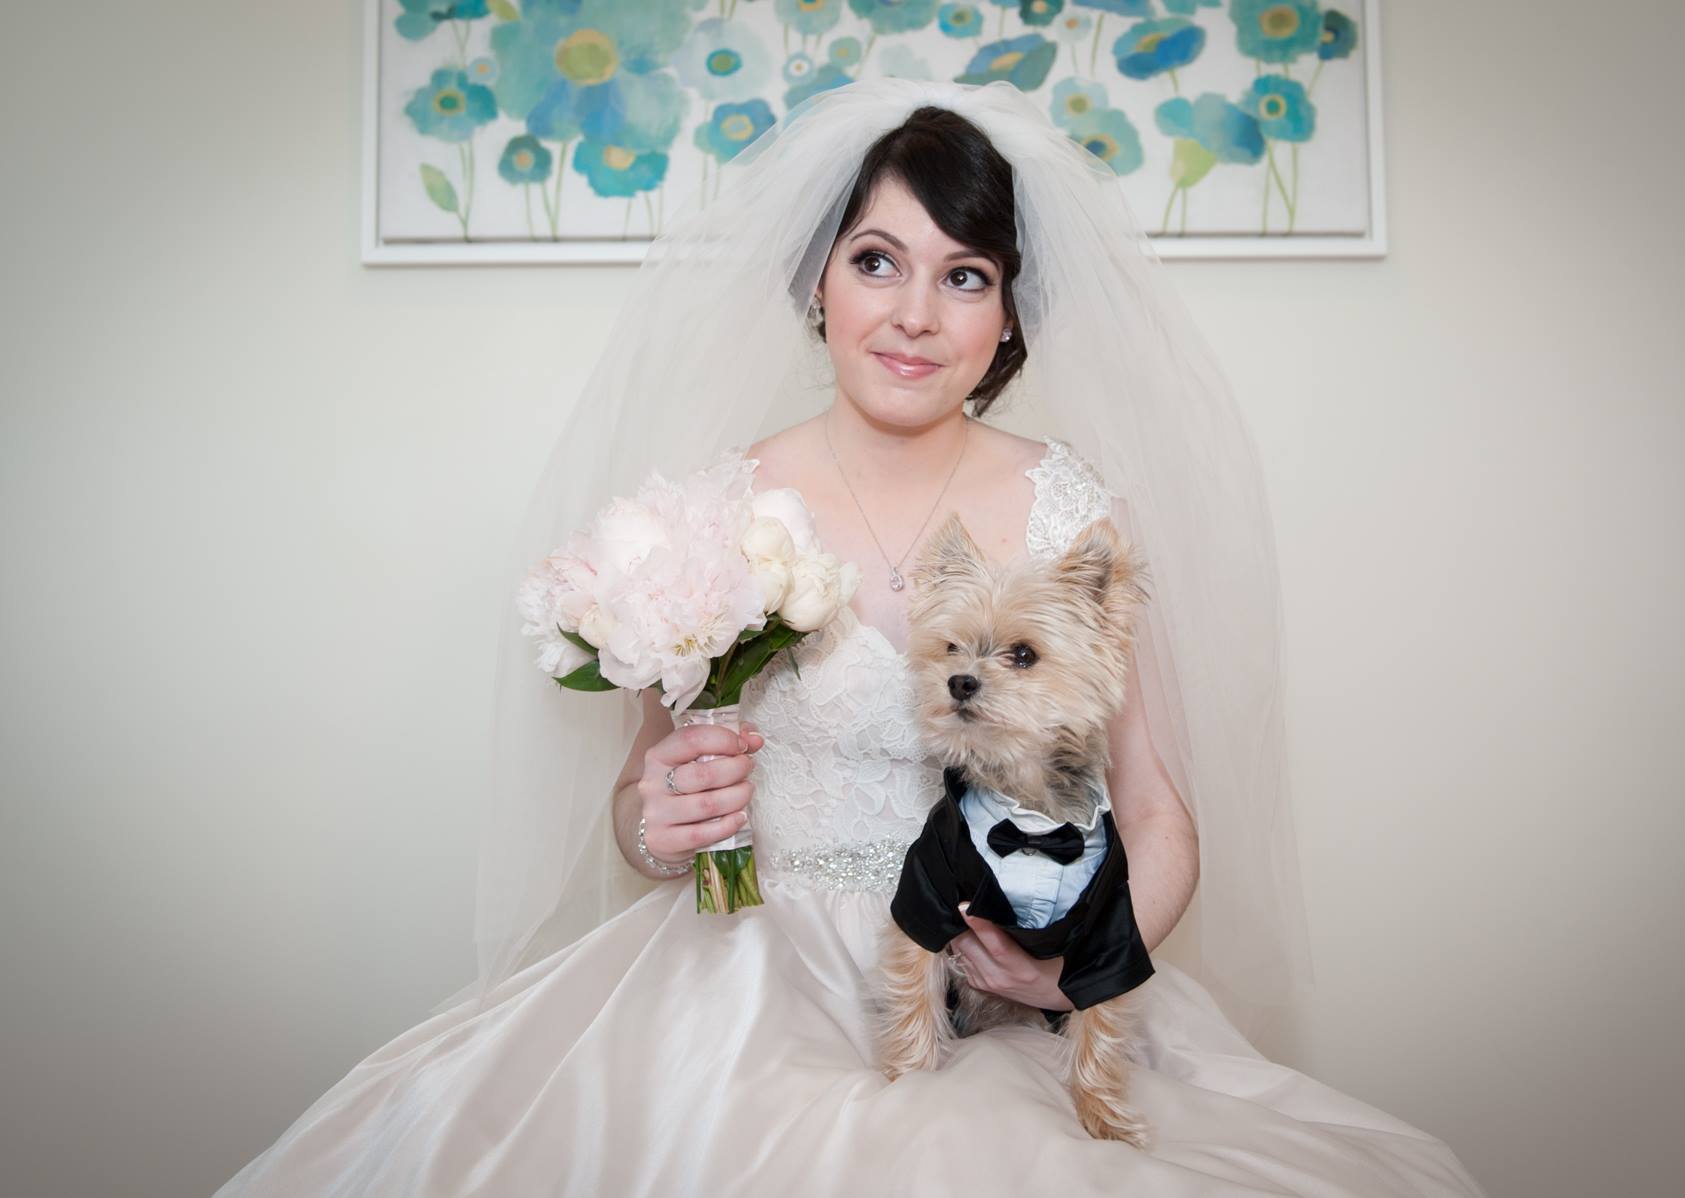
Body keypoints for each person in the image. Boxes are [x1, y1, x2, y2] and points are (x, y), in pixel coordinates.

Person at [216, 78, 1488, 1195]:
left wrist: (1083, 970)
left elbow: (1156, 815)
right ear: (818, 282)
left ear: (1008, 317)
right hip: (745, 984)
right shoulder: (709, 508)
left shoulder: (1071, 507)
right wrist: (654, 817)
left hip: (1009, 994)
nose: (915, 313)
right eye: (877, 260)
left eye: (965, 275)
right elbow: (639, 804)